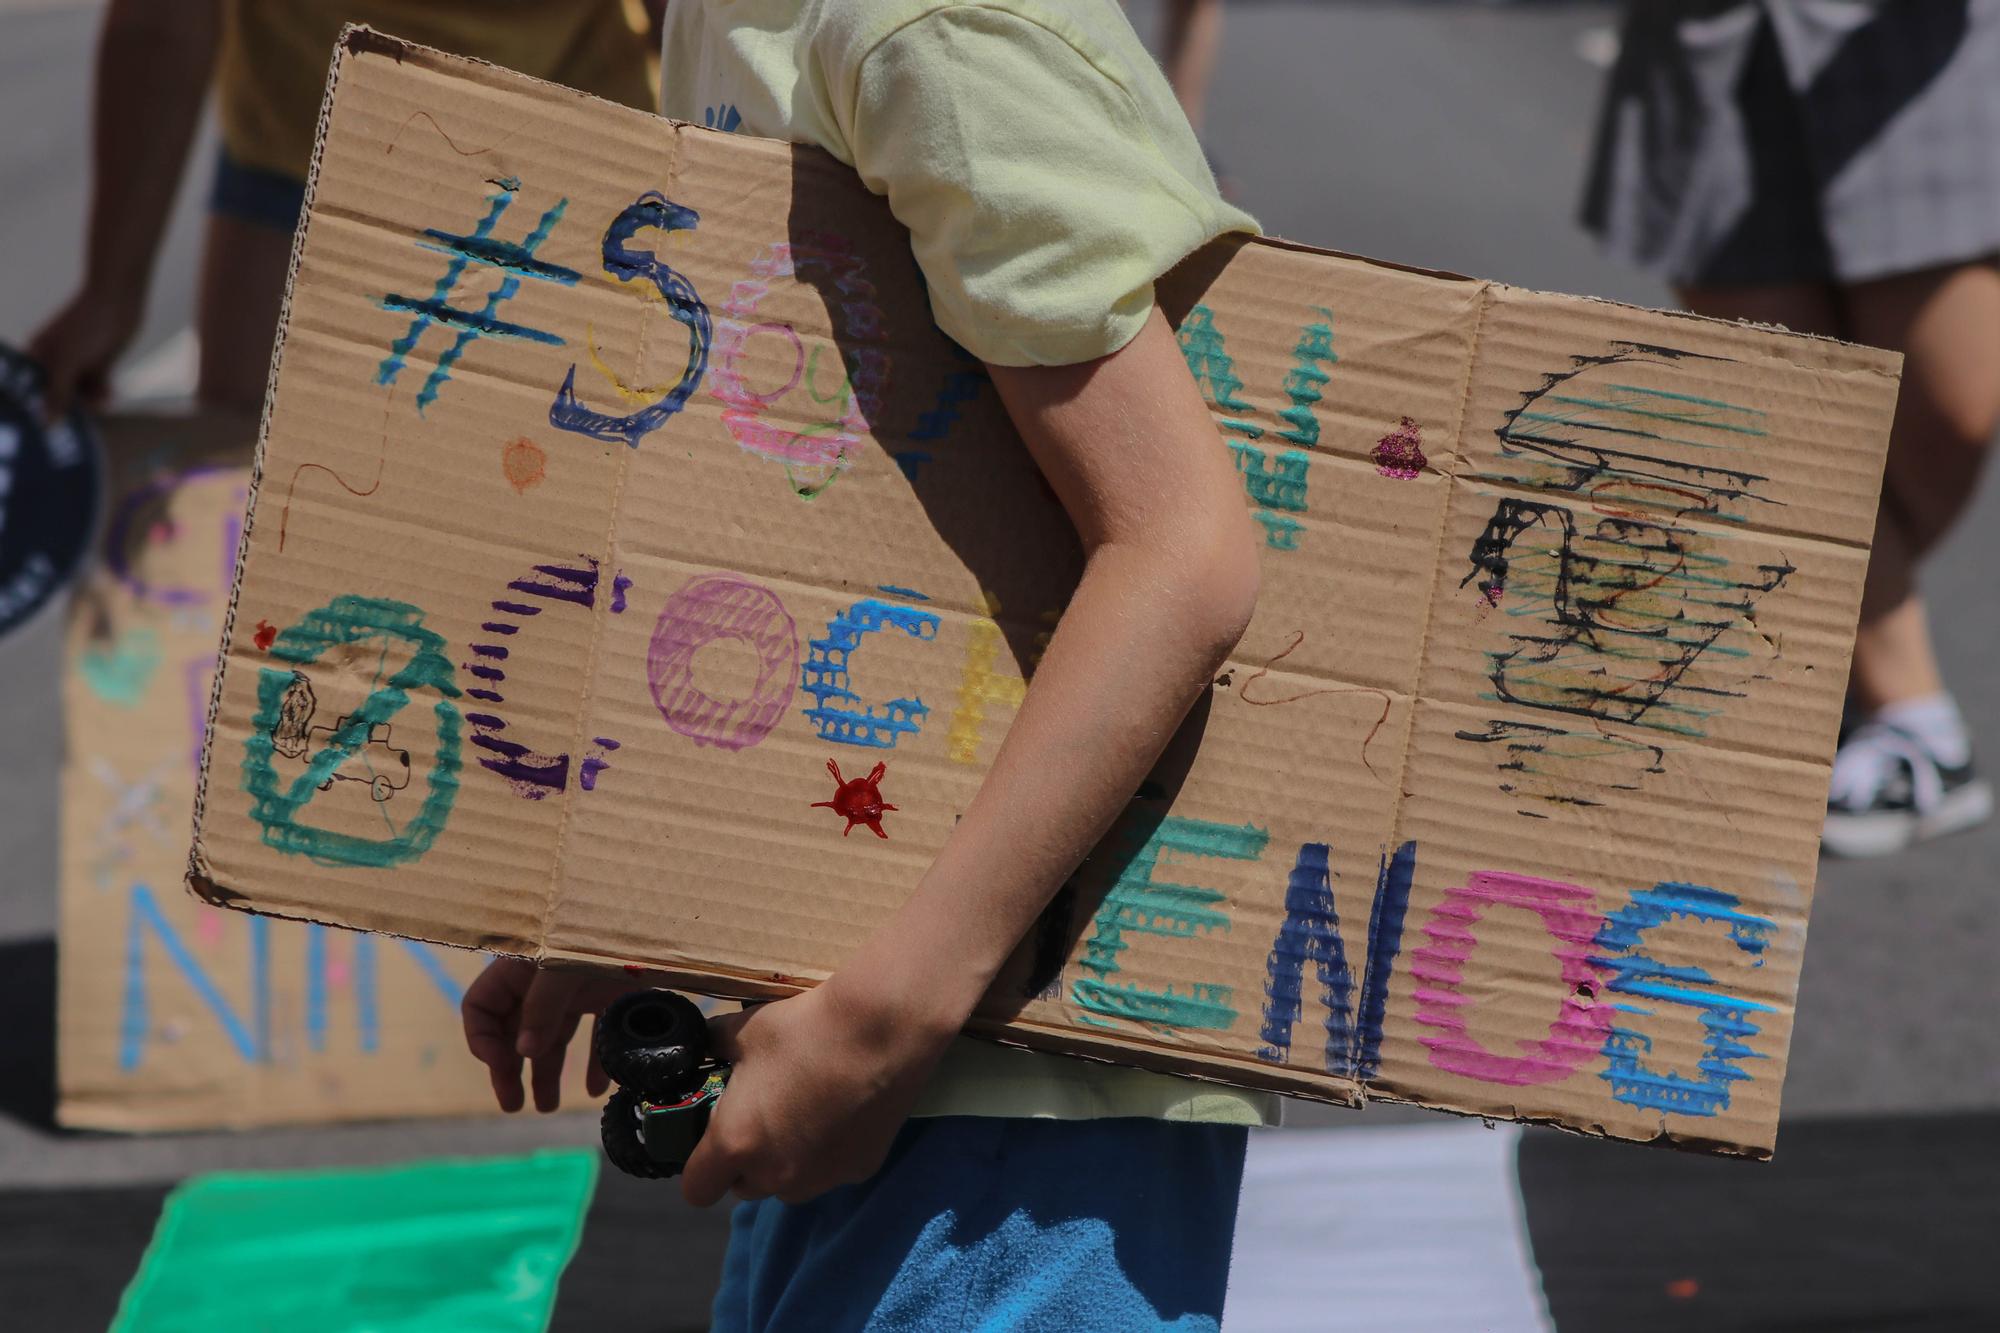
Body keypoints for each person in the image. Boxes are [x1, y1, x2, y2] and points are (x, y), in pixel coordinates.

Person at [459, 1, 1267, 1328]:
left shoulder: (925, 30)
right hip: (890, 1056)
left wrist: (880, 1025)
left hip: (1015, 1125)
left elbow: (1184, 550)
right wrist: (657, 901)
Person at [1583, 0, 2000, 857]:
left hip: (1917, 41)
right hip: (1720, 35)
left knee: (1949, 418)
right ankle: (1913, 718)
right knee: (1783, 410)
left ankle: (1819, 660)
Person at [27, 0, 659, 419]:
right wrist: (110, 287)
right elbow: (162, 16)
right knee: (251, 505)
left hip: (560, 157)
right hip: (306, 155)